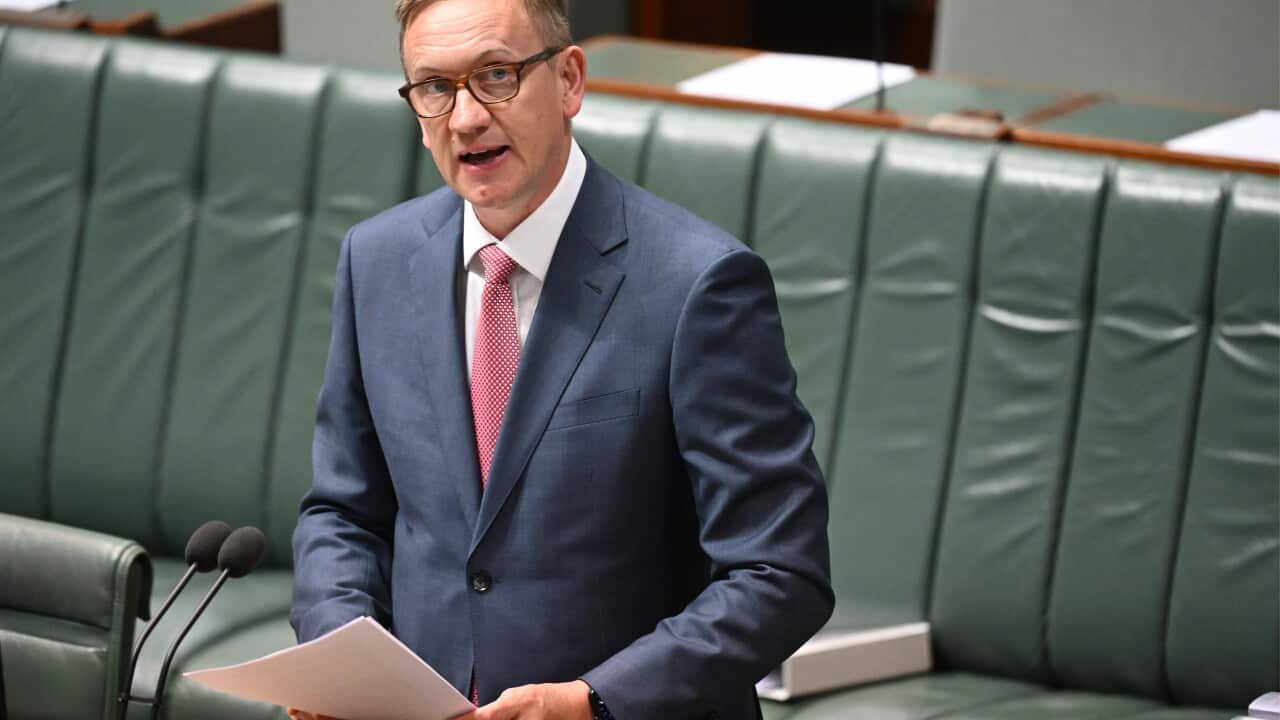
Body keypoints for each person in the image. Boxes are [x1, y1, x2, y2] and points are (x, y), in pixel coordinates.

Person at [289, 0, 833, 717]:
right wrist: (339, 661)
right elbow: (344, 513)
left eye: (497, 75)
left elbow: (780, 572)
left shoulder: (697, 284)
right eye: (435, 87)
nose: (466, 118)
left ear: (569, 80)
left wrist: (595, 701)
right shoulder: (378, 260)